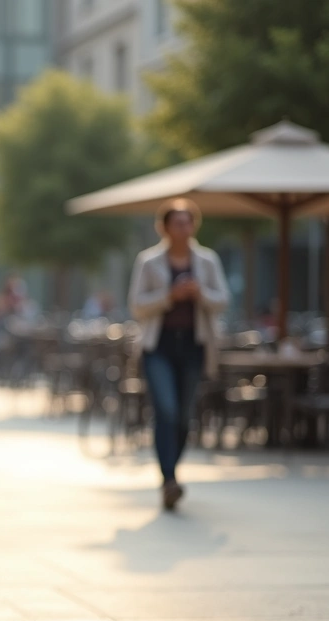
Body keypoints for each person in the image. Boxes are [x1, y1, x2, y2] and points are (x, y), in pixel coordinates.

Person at [129, 198, 229, 511]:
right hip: (158, 347)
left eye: (188, 222)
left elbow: (223, 300)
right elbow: (137, 305)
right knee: (167, 410)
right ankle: (169, 478)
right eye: (177, 222)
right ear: (165, 227)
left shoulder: (207, 261)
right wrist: (169, 296)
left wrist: (200, 294)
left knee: (184, 415)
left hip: (193, 345)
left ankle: (172, 470)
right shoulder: (149, 261)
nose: (183, 228)